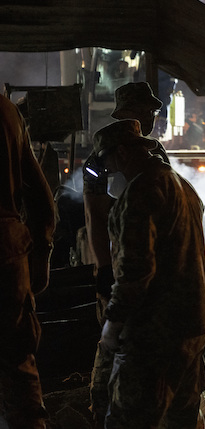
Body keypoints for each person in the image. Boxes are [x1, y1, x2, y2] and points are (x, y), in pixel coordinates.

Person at [94, 119, 205, 427]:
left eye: (107, 163)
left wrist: (112, 323)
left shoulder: (142, 191)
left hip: (157, 332)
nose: (108, 172)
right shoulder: (183, 186)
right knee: (181, 421)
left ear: (121, 152)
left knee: (128, 420)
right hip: (194, 324)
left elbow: (136, 269)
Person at [83, 81, 170, 426]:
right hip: (120, 258)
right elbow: (94, 212)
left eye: (151, 111)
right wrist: (104, 267)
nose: (150, 117)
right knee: (114, 339)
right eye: (144, 110)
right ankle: (103, 406)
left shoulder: (154, 153)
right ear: (126, 113)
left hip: (148, 261)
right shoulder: (102, 158)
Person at [0, 93, 56, 428]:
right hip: (7, 248)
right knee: (17, 362)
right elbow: (41, 198)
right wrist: (40, 260)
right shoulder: (7, 111)